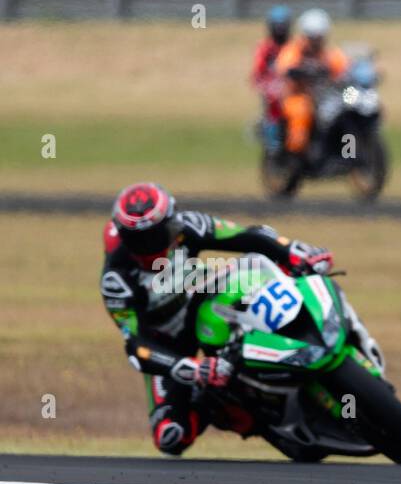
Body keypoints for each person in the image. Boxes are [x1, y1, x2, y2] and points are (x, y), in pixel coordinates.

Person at [99, 182, 377, 455]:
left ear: (170, 220)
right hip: (168, 342)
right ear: (126, 238)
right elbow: (137, 347)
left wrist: (294, 250)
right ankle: (248, 414)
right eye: (141, 240)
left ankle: (332, 333)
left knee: (280, 270)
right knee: (171, 436)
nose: (153, 244)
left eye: (158, 233)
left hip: (204, 302)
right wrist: (192, 368)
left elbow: (248, 236)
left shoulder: (187, 226)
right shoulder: (117, 280)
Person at [273, 8, 350, 166]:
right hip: (297, 95)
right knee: (302, 111)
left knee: (347, 107)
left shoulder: (327, 53)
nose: (316, 41)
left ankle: (338, 149)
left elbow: (343, 66)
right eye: (313, 38)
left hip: (324, 97)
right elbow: (284, 67)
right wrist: (297, 71)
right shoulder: (293, 51)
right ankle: (297, 154)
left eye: (319, 38)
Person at [251, 6, 292, 152]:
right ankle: (273, 146)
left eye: (283, 26)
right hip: (273, 91)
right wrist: (267, 84)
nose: (280, 30)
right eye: (277, 26)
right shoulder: (265, 48)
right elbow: (258, 73)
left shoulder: (293, 46)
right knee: (273, 108)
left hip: (292, 88)